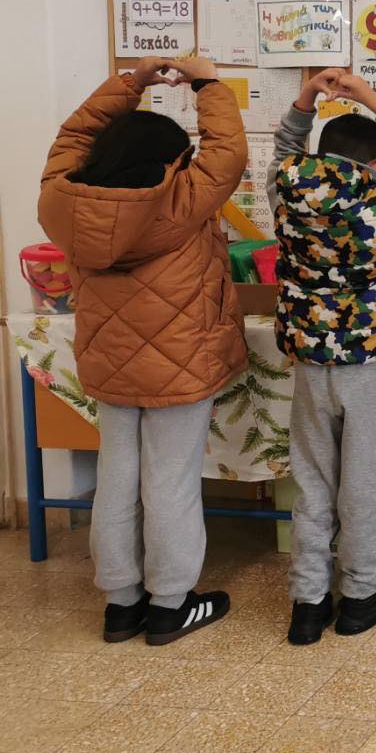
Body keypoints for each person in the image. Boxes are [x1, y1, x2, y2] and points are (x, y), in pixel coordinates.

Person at [38, 56, 246, 645]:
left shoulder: (62, 198)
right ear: (172, 161)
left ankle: (121, 605)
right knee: (170, 483)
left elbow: (72, 136)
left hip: (110, 366)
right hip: (180, 367)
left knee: (117, 478)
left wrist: (131, 83)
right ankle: (171, 606)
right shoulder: (181, 200)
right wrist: (206, 82)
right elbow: (228, 151)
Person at [273, 69, 376, 644]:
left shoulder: (287, 186)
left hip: (311, 360)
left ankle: (308, 604)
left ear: (319, 154)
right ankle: (361, 597)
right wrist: (368, 96)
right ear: (375, 164)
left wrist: (307, 97)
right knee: (363, 484)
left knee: (313, 482)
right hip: (372, 361)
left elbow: (285, 146)